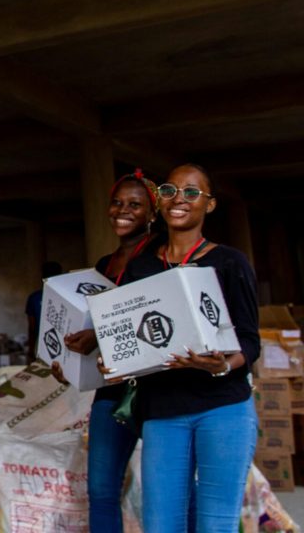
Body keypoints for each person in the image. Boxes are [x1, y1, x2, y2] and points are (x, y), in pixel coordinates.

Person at [120, 164, 258, 532]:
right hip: (163, 410)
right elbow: (134, 339)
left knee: (215, 525)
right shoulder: (142, 268)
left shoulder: (229, 262)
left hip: (224, 408)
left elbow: (249, 339)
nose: (179, 198)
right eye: (169, 190)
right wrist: (114, 358)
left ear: (209, 205)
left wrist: (223, 366)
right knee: (161, 524)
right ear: (160, 201)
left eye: (192, 192)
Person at [52, 169, 160, 533]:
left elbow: (153, 316)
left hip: (159, 389)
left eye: (135, 204)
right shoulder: (102, 266)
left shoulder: (161, 259)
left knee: (166, 491)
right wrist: (68, 361)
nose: (122, 211)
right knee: (100, 490)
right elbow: (90, 322)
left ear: (152, 213)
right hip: (111, 390)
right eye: (117, 203)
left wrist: (98, 334)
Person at [24, 262, 62, 363]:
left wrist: (31, 350)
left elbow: (32, 328)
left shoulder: (34, 298)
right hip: (63, 344)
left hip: (42, 344)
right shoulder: (67, 297)